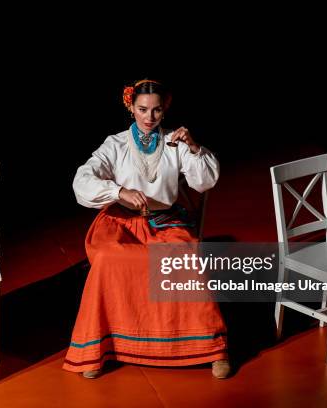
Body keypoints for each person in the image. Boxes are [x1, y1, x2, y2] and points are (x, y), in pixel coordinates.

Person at [63, 79, 230, 379]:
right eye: (142, 110)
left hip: (165, 223)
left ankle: (211, 347)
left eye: (156, 110)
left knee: (185, 260)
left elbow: (205, 182)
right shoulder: (114, 144)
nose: (149, 118)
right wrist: (118, 192)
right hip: (122, 223)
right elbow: (82, 181)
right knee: (109, 259)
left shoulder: (176, 143)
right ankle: (99, 347)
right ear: (131, 107)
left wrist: (193, 148)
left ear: (165, 108)